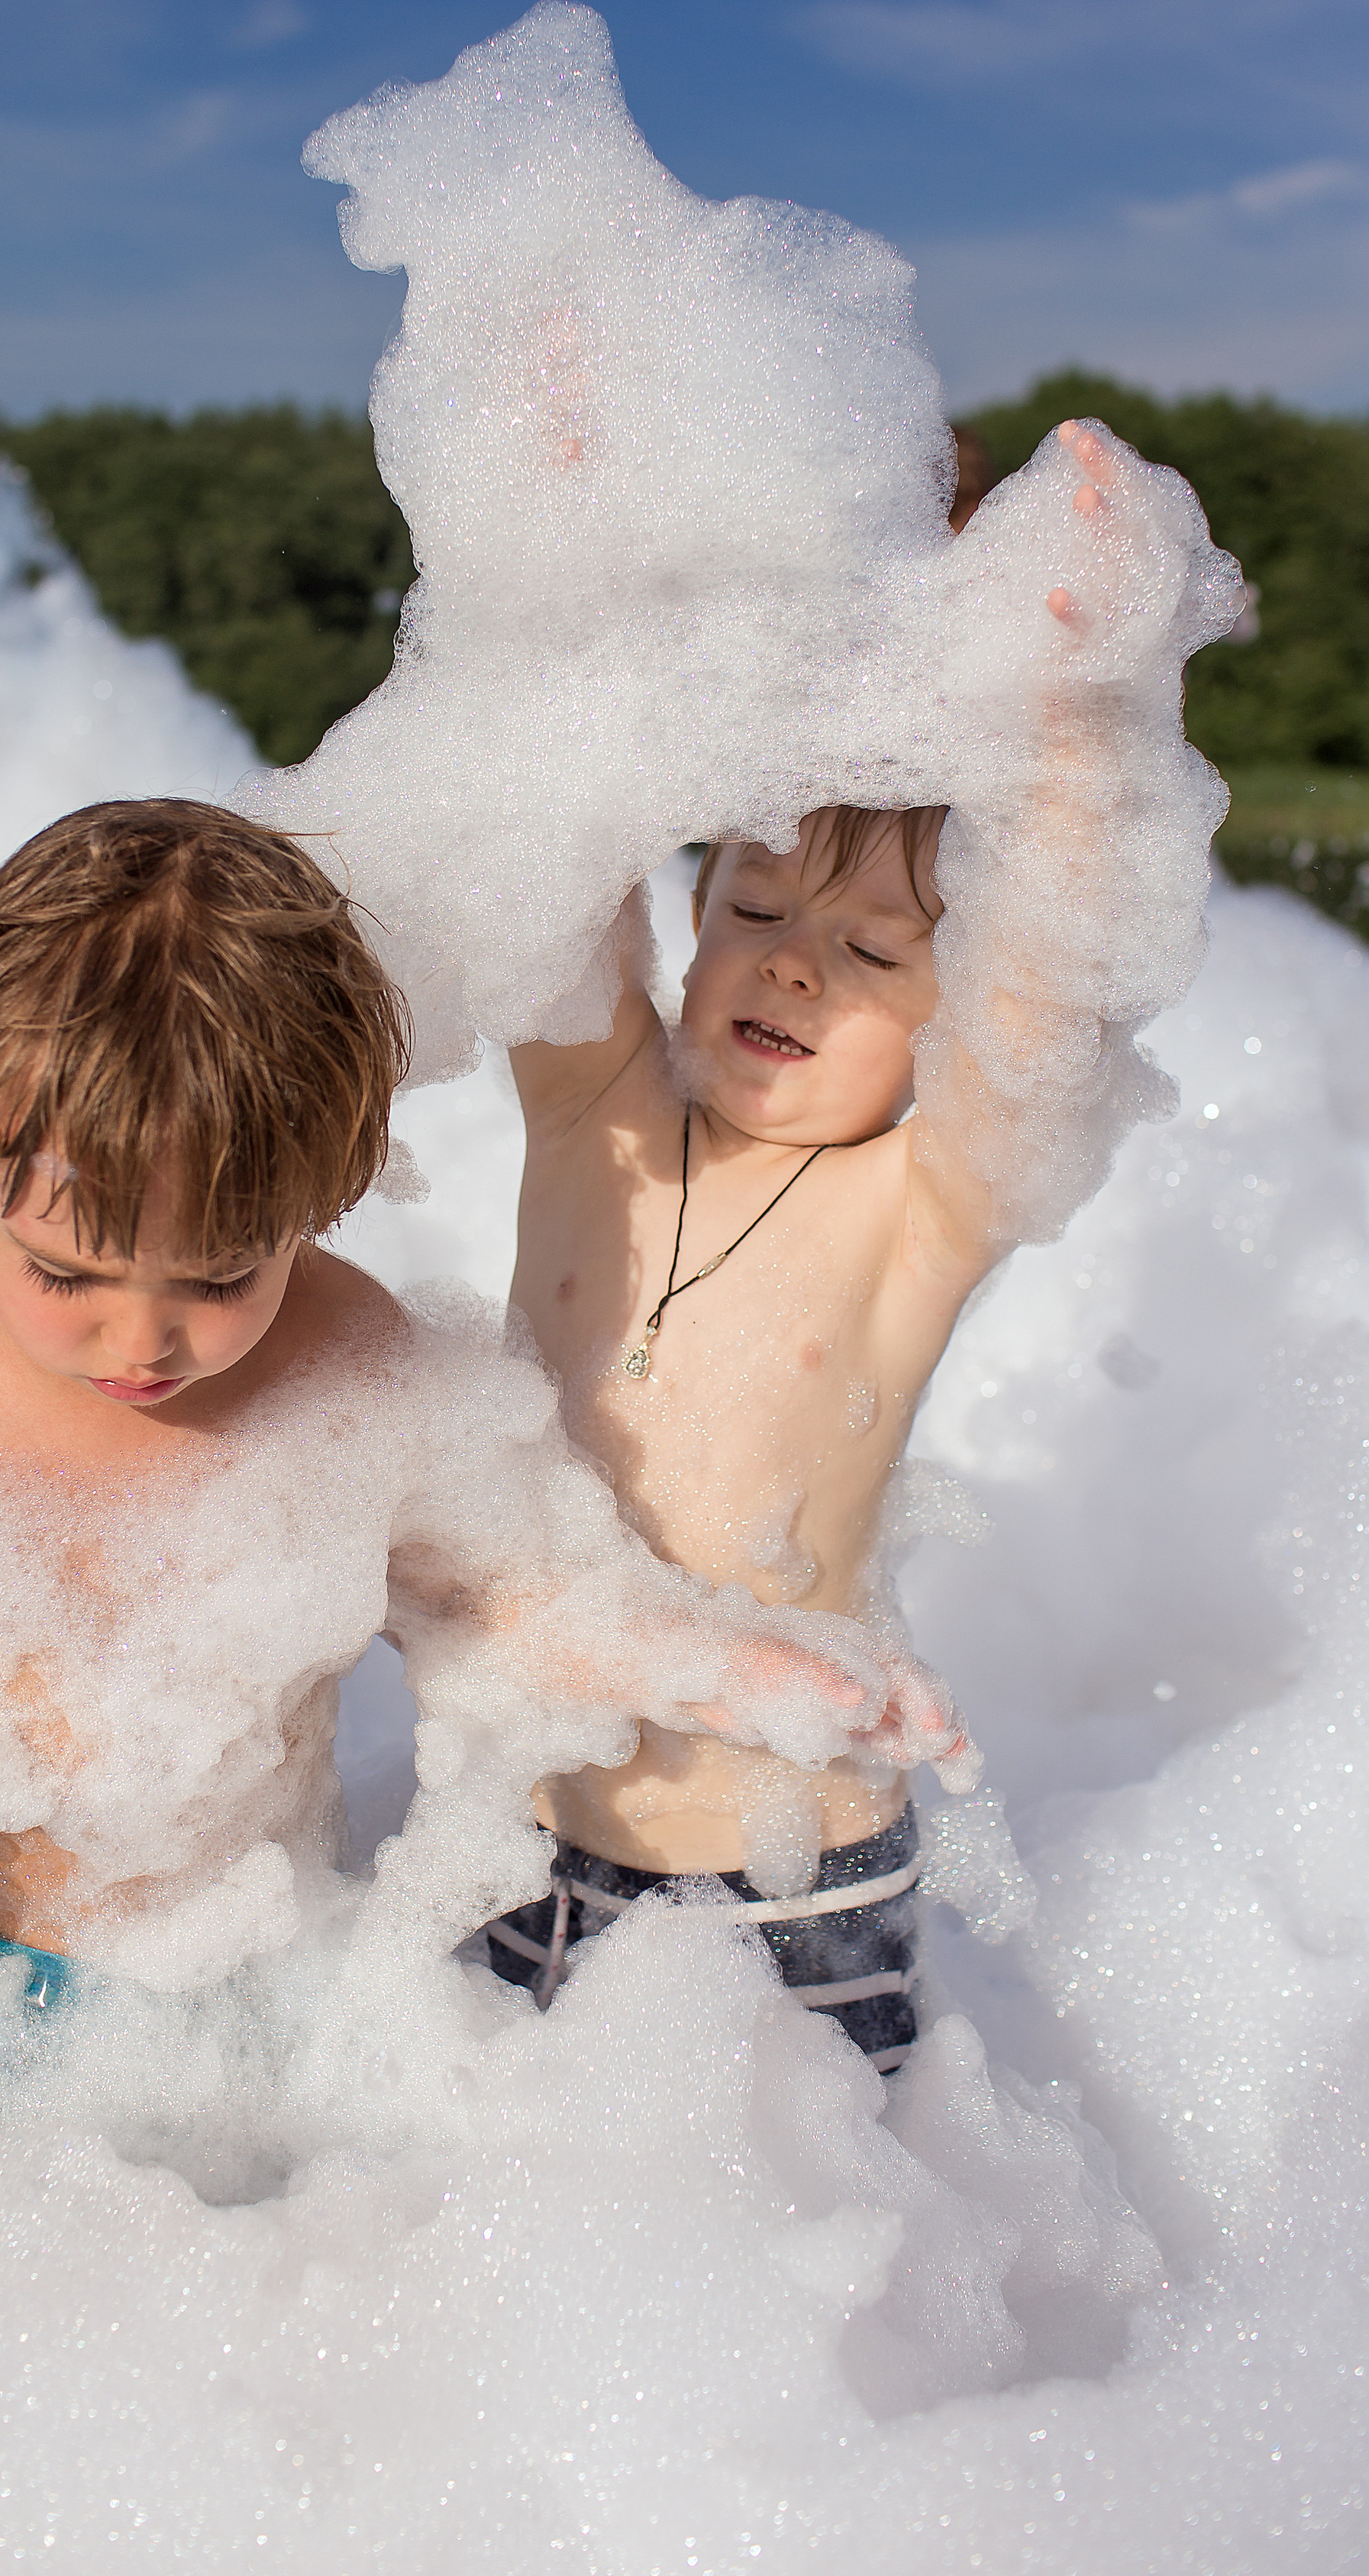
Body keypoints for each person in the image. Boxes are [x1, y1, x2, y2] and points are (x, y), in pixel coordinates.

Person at [0, 801, 967, 2194]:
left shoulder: (348, 1368)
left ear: (316, 1197)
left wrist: (734, 1664)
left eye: (221, 1276)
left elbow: (504, 1603)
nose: (143, 1337)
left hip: (266, 1992)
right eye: (66, 1272)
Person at [482, 420, 1164, 2069]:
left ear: (949, 1005)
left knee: (798, 2211)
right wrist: (561, 549)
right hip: (505, 1846)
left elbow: (1049, 993)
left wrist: (1071, 706)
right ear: (695, 912)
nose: (792, 967)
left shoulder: (915, 1210)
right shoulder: (595, 1118)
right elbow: (539, 862)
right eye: (755, 912)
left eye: (872, 951)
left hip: (789, 1885)